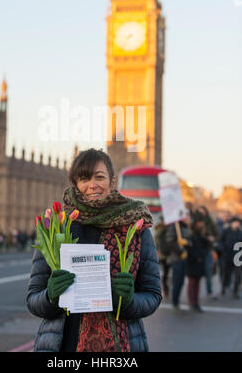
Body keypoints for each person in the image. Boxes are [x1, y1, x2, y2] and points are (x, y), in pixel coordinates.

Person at [26, 148, 162, 352]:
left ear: (112, 182)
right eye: (84, 178)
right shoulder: (58, 227)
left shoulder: (136, 229)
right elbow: (33, 299)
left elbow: (152, 295)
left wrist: (128, 301)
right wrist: (50, 297)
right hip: (64, 347)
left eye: (99, 177)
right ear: (75, 184)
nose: (92, 185)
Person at [165, 212, 192, 311]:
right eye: (186, 216)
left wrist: (187, 243)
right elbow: (170, 241)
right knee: (177, 281)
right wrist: (180, 251)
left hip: (185, 258)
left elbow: (191, 241)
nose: (188, 218)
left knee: (181, 281)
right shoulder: (174, 226)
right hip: (177, 258)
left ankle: (177, 300)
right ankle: (175, 302)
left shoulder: (187, 227)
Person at [186, 215, 210, 312]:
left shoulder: (201, 234)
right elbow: (189, 249)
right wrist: (197, 256)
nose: (202, 224)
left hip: (199, 262)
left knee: (197, 282)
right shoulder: (190, 234)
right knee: (192, 282)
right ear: (196, 223)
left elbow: (205, 246)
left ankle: (196, 303)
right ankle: (192, 303)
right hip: (192, 262)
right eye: (200, 223)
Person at [196, 206, 219, 300]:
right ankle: (195, 295)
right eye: (199, 212)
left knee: (209, 272)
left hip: (208, 250)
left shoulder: (210, 222)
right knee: (196, 274)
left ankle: (209, 291)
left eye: (203, 212)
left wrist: (213, 238)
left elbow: (217, 235)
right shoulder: (195, 223)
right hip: (198, 251)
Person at [219, 216, 242, 299]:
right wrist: (223, 250)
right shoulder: (226, 231)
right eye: (236, 222)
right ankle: (224, 287)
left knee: (237, 275)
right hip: (227, 255)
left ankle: (235, 291)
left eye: (238, 222)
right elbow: (221, 241)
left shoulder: (240, 233)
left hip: (237, 257)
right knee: (226, 273)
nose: (237, 224)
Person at [154, 216, 171, 298]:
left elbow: (155, 242)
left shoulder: (158, 229)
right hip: (166, 255)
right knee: (165, 274)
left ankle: (164, 290)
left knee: (162, 274)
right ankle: (165, 290)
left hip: (160, 254)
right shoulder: (168, 229)